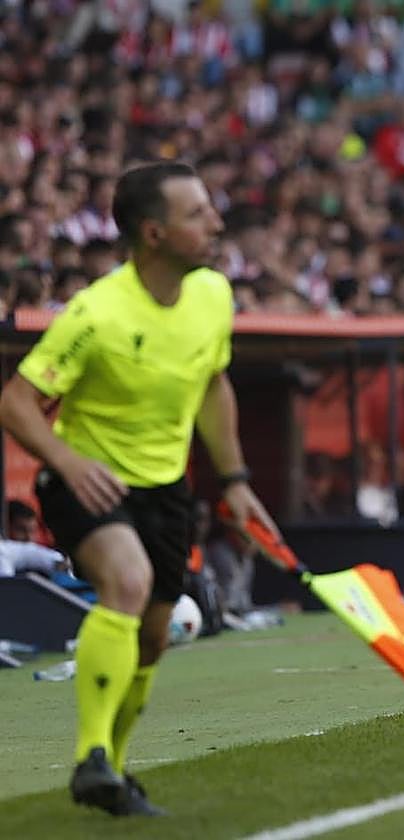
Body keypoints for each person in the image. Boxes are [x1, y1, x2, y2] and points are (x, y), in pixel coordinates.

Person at [0, 161, 277, 815]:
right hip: (88, 483)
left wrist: (235, 480)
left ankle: (113, 776)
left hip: (165, 490)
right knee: (125, 582)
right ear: (153, 233)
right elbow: (16, 402)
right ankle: (91, 755)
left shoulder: (213, 295)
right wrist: (66, 461)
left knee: (154, 637)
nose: (216, 223)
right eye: (197, 214)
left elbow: (213, 385)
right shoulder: (95, 313)